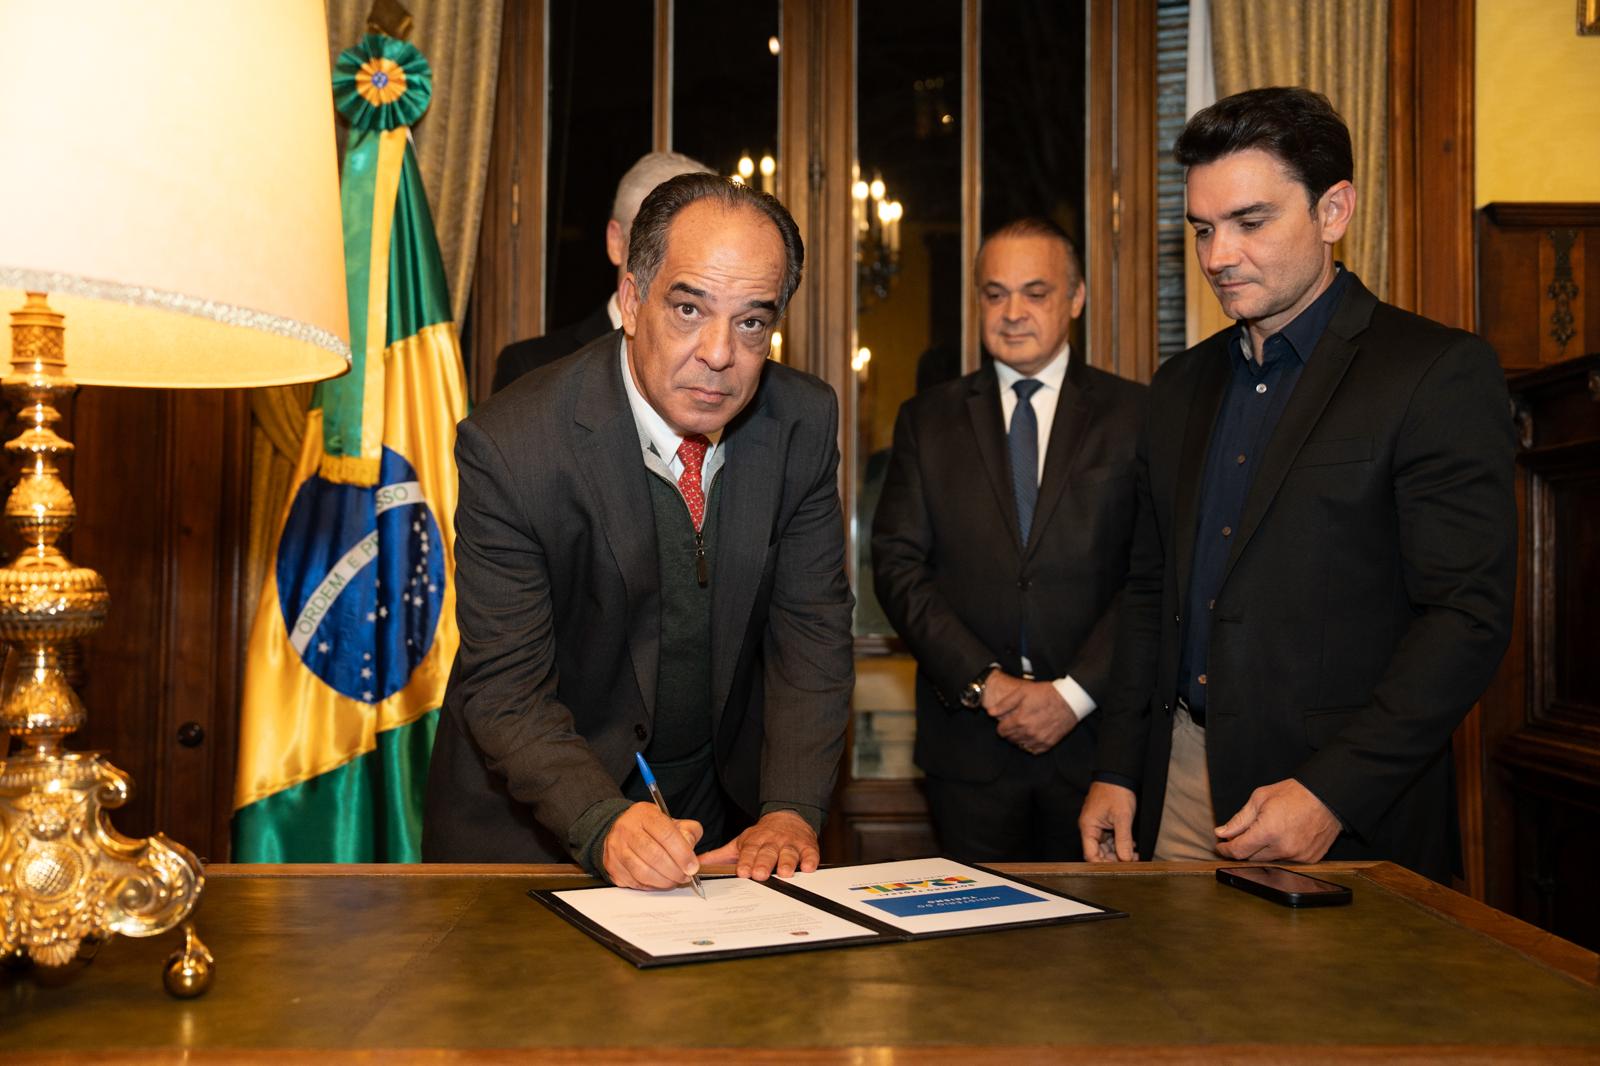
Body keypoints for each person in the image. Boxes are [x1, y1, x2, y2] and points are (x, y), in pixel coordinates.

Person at [1078, 87, 1516, 882]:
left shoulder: (1432, 372)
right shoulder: (1179, 386)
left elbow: (1465, 618)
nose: (1217, 255)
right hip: (1175, 783)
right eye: (1204, 229)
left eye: (1251, 222)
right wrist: (1116, 766)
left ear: (1334, 210)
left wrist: (1332, 791)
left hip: (1340, 805)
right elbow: (1150, 592)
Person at [424, 173, 854, 889]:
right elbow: (505, 689)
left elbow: (811, 631)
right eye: (689, 308)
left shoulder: (802, 422)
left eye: (752, 322)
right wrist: (601, 819)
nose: (720, 354)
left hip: (716, 830)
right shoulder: (514, 443)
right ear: (630, 300)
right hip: (532, 824)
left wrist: (791, 808)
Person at [872, 218, 1146, 861]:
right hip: (968, 747)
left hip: (1098, 750)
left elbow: (1152, 575)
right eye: (995, 294)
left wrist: (1071, 695)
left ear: (1076, 298)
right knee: (969, 949)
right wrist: (984, 684)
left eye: (1036, 292)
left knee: (1093, 952)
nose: (1013, 313)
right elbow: (897, 565)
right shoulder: (927, 419)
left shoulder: (1137, 416)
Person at [491, 151, 710, 392]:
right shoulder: (535, 369)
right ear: (616, 242)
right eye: (655, 244)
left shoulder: (736, 371)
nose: (684, 267)